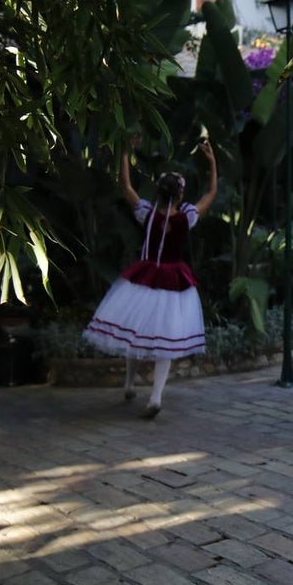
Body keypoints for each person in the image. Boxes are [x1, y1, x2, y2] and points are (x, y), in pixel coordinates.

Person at [83, 136, 218, 419]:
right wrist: (212, 163)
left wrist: (124, 153)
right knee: (164, 341)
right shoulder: (187, 217)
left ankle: (129, 384)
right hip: (173, 280)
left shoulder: (147, 213)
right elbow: (210, 194)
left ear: (159, 193)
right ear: (180, 196)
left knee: (134, 331)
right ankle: (155, 396)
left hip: (145, 277)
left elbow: (126, 186)